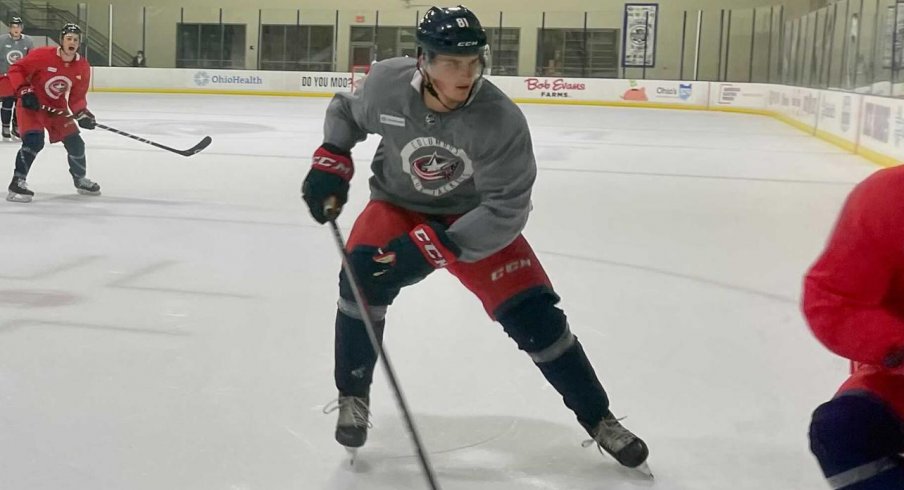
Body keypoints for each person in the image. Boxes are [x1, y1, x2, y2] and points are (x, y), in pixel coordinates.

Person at [301, 5, 650, 472]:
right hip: (397, 206)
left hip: (472, 218)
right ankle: (352, 396)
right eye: (451, 62)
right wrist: (332, 158)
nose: (466, 73)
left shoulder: (500, 119)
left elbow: (507, 209)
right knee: (360, 282)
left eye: (474, 61)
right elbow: (348, 110)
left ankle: (600, 418)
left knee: (535, 316)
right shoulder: (387, 83)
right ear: (424, 60)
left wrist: (429, 249)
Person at [803, 165, 904, 489]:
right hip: (898, 379)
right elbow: (834, 298)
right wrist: (898, 347)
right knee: (842, 429)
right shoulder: (889, 197)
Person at [5, 22, 98, 203]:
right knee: (34, 141)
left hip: (56, 109)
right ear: (62, 40)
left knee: (76, 142)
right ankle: (17, 182)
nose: (72, 42)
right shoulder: (42, 55)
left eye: (76, 40)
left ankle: (80, 179)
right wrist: (24, 90)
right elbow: (17, 69)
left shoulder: (82, 66)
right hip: (32, 104)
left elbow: (77, 97)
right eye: (69, 38)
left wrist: (82, 113)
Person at [0, 16, 33, 140]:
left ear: (21, 28)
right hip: (5, 77)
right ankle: (5, 127)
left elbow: (30, 60)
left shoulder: (28, 41)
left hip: (21, 78)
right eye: (13, 26)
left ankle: (16, 126)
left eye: (18, 27)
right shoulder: (2, 40)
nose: (15, 29)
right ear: (10, 28)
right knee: (7, 101)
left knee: (19, 103)